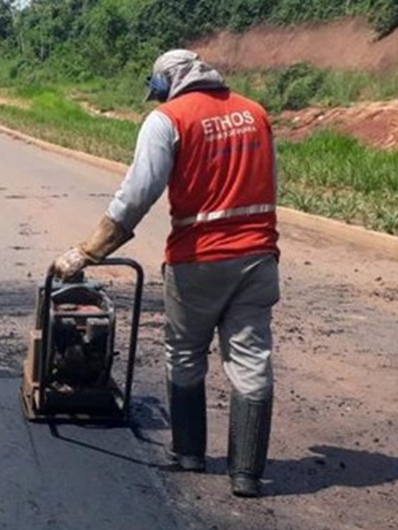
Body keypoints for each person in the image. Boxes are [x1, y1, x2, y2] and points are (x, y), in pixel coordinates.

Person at [51, 49, 280, 498]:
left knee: (186, 351)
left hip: (199, 257)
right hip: (258, 256)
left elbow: (138, 193)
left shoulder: (169, 119)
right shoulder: (255, 113)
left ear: (166, 84)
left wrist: (89, 251)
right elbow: (269, 178)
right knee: (252, 359)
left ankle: (190, 453)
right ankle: (247, 474)